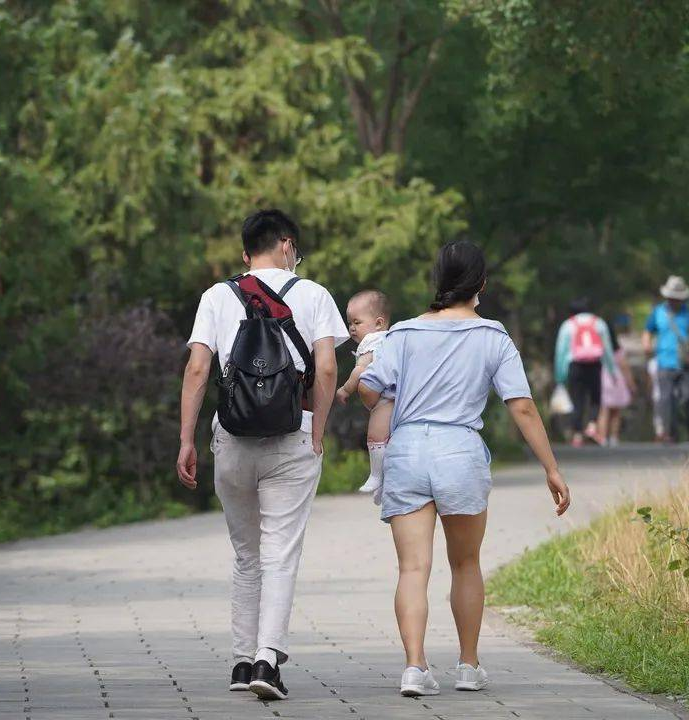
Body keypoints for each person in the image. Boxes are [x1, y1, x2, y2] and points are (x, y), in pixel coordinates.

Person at [358, 241, 570, 697]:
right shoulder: (493, 337)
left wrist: (394, 398)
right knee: (466, 563)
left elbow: (371, 391)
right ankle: (469, 666)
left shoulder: (403, 333)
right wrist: (550, 468)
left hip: (409, 449)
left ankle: (415, 668)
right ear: (482, 285)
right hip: (460, 452)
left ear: (438, 281)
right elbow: (523, 408)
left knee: (413, 569)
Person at [177, 209, 348, 701]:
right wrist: (318, 430)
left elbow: (197, 370)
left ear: (245, 253)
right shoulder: (314, 294)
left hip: (230, 439)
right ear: (288, 245)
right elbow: (327, 369)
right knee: (280, 552)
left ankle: (239, 660)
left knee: (247, 554)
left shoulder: (217, 296)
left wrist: (187, 439)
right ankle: (267, 663)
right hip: (290, 436)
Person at [336, 289, 393, 500]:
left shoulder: (372, 342)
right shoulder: (390, 339)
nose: (351, 328)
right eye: (349, 322)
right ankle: (384, 486)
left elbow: (360, 370)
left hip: (388, 399)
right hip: (396, 396)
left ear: (378, 323)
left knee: (375, 437)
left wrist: (345, 389)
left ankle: (376, 475)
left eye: (357, 322)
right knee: (389, 444)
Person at [554, 298, 617, 447]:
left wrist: (560, 375)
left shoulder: (568, 325)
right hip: (595, 364)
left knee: (577, 399)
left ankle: (577, 434)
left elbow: (561, 352)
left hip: (575, 365)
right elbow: (607, 348)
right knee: (596, 397)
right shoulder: (599, 323)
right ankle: (592, 425)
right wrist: (612, 370)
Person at [643, 276, 689, 444]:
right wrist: (647, 345)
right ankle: (670, 432)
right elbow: (648, 331)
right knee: (666, 399)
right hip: (664, 361)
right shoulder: (658, 312)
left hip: (685, 362)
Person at [597, 316, 636, 447]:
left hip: (603, 380)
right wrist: (631, 385)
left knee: (604, 410)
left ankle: (602, 438)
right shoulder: (617, 350)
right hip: (616, 380)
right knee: (616, 412)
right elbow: (625, 367)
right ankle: (613, 438)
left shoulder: (599, 348)